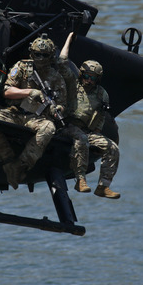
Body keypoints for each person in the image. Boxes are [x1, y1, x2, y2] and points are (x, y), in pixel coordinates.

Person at [0, 34, 66, 189]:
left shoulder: (56, 78)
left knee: (49, 129)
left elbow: (61, 104)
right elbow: (6, 91)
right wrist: (28, 92)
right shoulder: (22, 67)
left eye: (45, 55)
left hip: (37, 117)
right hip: (15, 112)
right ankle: (8, 162)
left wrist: (56, 109)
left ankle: (21, 165)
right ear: (31, 53)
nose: (40, 58)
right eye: (37, 54)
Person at [58, 33, 121, 199]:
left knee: (112, 148)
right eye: (86, 76)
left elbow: (101, 116)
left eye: (93, 78)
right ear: (81, 75)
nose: (89, 80)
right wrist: (68, 39)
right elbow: (62, 61)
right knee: (81, 139)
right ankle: (80, 180)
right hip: (67, 127)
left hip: (89, 131)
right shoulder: (73, 85)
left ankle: (103, 186)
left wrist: (98, 134)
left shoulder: (102, 94)